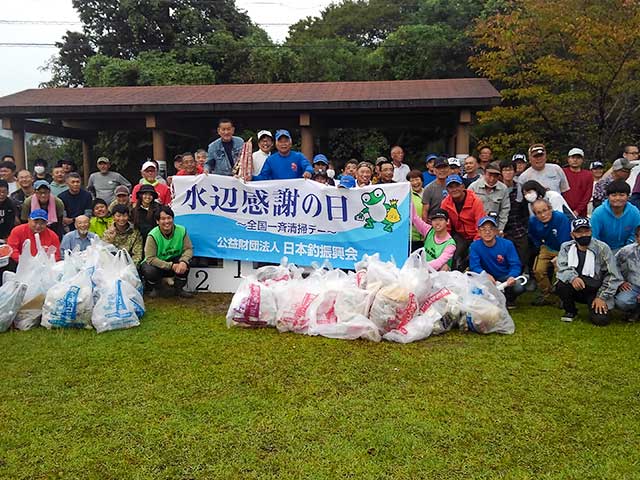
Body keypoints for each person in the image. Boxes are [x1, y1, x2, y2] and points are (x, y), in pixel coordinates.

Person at [556, 217, 622, 325]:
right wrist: (573, 278)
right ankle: (570, 311)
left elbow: (613, 276)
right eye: (579, 232)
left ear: (591, 231)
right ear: (572, 235)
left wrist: (601, 297)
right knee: (561, 284)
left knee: (601, 321)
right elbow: (562, 268)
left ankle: (596, 305)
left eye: (586, 231)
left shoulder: (602, 248)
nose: (583, 235)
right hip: (576, 286)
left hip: (596, 289)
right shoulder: (566, 247)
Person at [469, 215, 524, 308]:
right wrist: (485, 274)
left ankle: (509, 299)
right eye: (483, 229)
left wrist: (512, 276)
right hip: (486, 278)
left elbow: (515, 265)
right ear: (479, 232)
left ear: (496, 231)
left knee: (518, 287)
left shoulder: (507, 244)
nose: (487, 232)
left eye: (491, 229)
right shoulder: (474, 246)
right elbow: (474, 266)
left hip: (504, 276)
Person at [142, 205, 194, 298]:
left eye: (169, 218)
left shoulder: (182, 230)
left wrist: (183, 261)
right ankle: (157, 288)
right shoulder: (152, 235)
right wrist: (171, 266)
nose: (166, 221)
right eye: (163, 219)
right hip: (158, 264)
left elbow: (188, 249)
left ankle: (179, 289)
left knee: (187, 261)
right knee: (149, 270)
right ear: (157, 221)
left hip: (175, 260)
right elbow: (150, 258)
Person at [528, 198, 571, 305]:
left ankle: (563, 297)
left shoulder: (561, 218)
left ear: (550, 209)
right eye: (539, 213)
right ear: (535, 214)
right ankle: (548, 295)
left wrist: (560, 257)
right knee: (538, 270)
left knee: (559, 270)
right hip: (547, 247)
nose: (543, 215)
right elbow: (533, 235)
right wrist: (540, 245)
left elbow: (566, 242)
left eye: (545, 210)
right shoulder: (533, 221)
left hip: (564, 249)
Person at [440, 174, 486, 270]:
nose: (454, 189)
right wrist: (445, 243)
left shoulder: (475, 201)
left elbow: (481, 225)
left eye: (457, 186)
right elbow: (445, 226)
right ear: (447, 190)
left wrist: (475, 243)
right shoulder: (445, 203)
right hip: (459, 235)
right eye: (451, 187)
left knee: (474, 255)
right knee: (452, 254)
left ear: (463, 186)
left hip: (476, 235)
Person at [590, 180, 640, 253]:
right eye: (614, 195)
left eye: (622, 195)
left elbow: (635, 234)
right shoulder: (598, 213)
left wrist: (625, 249)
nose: (617, 198)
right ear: (608, 197)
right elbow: (594, 236)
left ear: (628, 196)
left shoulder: (634, 212)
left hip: (627, 250)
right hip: (602, 250)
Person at [500, 160, 529, 265]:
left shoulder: (520, 188)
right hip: (503, 229)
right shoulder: (498, 188)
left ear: (515, 172)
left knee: (523, 257)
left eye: (510, 170)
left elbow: (526, 210)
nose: (508, 172)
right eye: (505, 170)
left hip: (519, 228)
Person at [468, 161, 510, 235]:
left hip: (494, 228)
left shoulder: (503, 188)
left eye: (495, 176)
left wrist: (500, 229)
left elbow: (504, 210)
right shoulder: (473, 187)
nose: (492, 179)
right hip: (476, 227)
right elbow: (467, 209)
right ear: (484, 174)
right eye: (490, 175)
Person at [561, 148, 592, 218]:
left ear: (582, 160)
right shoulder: (562, 172)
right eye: (573, 157)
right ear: (568, 159)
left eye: (578, 158)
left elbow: (588, 195)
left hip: (581, 213)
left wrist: (578, 211)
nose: (575, 160)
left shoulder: (588, 175)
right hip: (563, 210)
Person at [407, 170, 425, 252]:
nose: (415, 183)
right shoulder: (407, 196)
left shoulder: (427, 192)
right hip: (412, 237)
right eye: (412, 180)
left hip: (427, 235)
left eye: (417, 179)